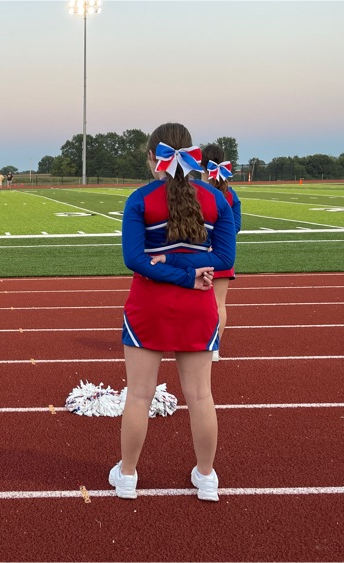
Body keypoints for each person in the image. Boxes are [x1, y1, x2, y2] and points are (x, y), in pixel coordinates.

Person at [111, 122, 236, 502]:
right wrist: (191, 272)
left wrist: (170, 266)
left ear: (154, 158)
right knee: (200, 396)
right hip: (198, 307)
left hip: (149, 306)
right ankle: (207, 477)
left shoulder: (140, 199)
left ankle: (128, 476)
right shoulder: (217, 200)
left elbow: (133, 258)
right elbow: (225, 258)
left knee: (138, 396)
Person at [201, 145, 242, 362]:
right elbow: (235, 226)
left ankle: (195, 344)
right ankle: (214, 349)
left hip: (200, 253)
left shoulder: (197, 190)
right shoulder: (230, 194)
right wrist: (219, 243)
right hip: (224, 254)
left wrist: (205, 244)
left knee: (196, 302)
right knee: (219, 304)